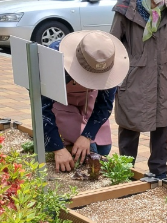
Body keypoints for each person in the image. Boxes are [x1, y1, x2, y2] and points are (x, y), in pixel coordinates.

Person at [110, 0, 167, 182]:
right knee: (129, 124)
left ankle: (160, 172)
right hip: (133, 74)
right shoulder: (127, 6)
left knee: (161, 126)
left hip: (163, 74)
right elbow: (114, 43)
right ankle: (125, 172)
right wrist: (115, 75)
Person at [42, 30, 129, 171]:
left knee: (103, 148)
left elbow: (104, 104)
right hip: (62, 102)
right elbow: (43, 108)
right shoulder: (54, 59)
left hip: (90, 99)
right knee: (86, 151)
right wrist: (57, 148)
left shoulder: (109, 60)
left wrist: (87, 136)